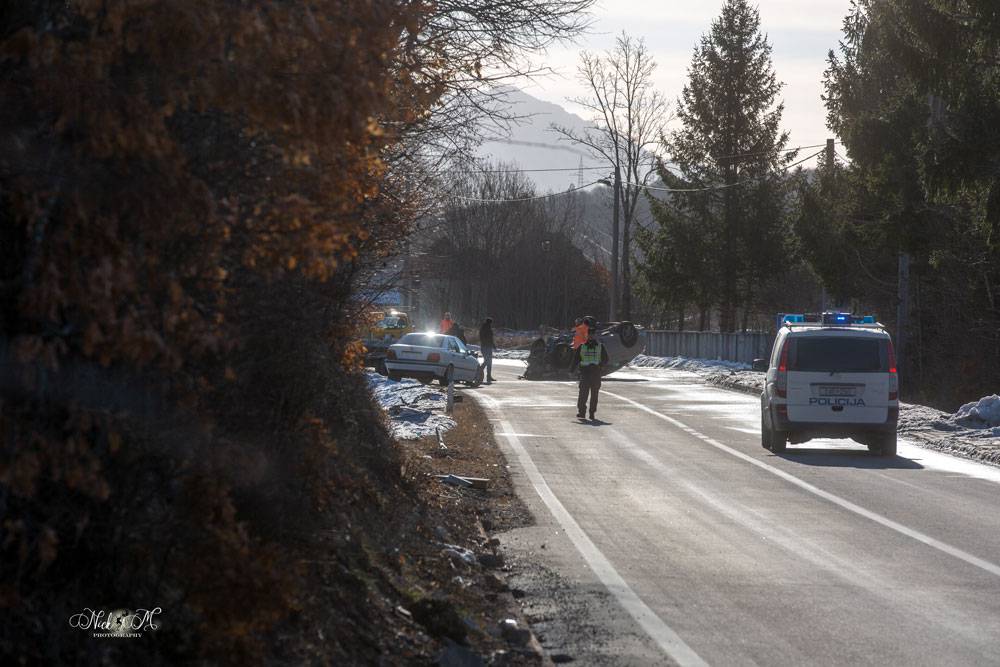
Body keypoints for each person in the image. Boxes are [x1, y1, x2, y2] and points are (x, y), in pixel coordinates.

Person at [576, 326, 608, 420]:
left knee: (592, 395)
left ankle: (591, 413)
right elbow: (576, 358)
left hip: (594, 373)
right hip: (587, 373)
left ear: (594, 335)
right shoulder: (583, 346)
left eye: (592, 334)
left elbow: (605, 358)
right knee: (584, 394)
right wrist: (572, 370)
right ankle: (583, 412)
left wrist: (600, 365)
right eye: (589, 334)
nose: (590, 336)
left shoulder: (599, 346)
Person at [479, 317, 496, 383]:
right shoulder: (486, 328)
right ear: (489, 322)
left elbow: (489, 338)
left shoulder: (484, 328)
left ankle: (489, 376)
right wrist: (492, 345)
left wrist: (493, 345)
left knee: (489, 362)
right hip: (486, 347)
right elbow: (489, 338)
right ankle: (479, 371)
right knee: (487, 361)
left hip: (486, 347)